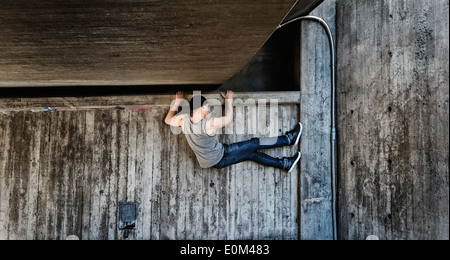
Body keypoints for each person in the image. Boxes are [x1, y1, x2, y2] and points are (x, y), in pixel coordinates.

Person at [164, 91, 302, 172]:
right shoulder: (209, 124)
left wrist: (178, 102)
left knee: (253, 151)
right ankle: (287, 143)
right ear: (202, 107)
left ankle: (286, 155)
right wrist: (229, 100)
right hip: (219, 159)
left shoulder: (184, 120)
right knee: (254, 145)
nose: (208, 109)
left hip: (217, 153)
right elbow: (228, 119)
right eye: (208, 107)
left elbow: (167, 120)